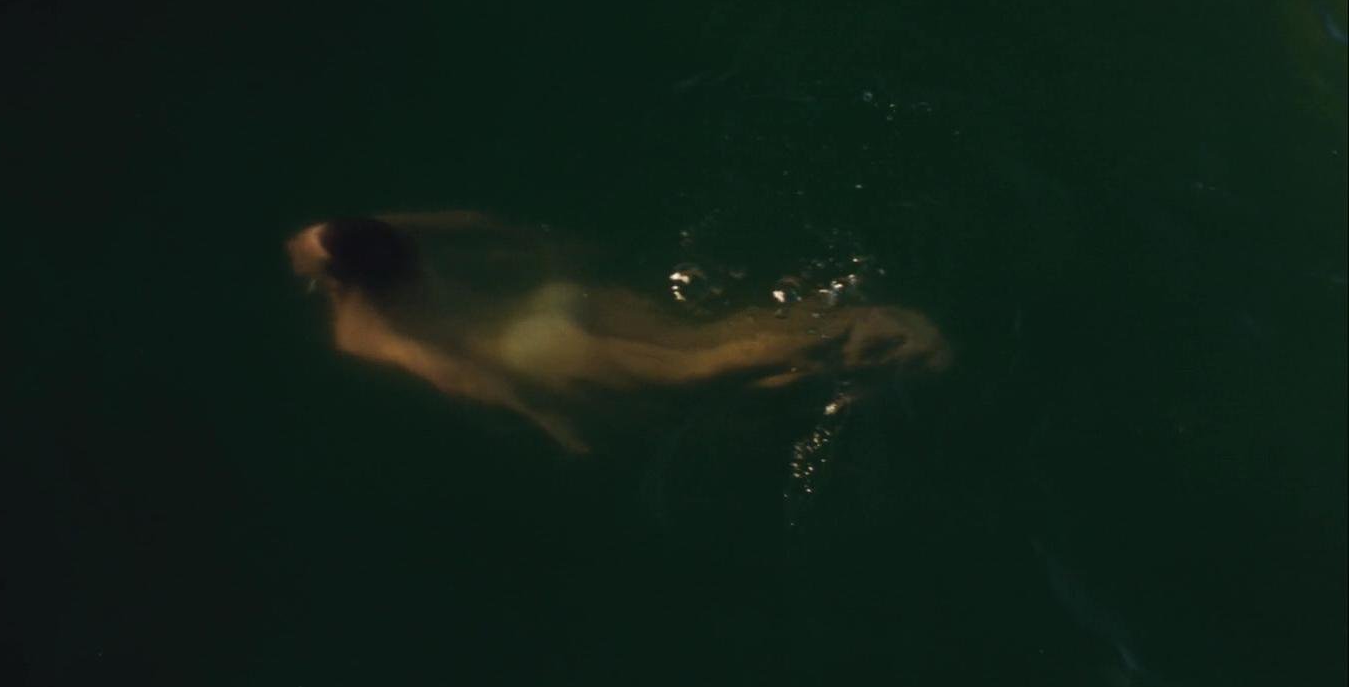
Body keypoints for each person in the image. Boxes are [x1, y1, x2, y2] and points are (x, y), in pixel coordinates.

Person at [287, 212, 951, 453]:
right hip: (553, 301)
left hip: (533, 351)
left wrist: (538, 416)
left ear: (339, 281)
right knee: (709, 343)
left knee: (703, 368)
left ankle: (872, 332)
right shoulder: (381, 235)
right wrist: (545, 247)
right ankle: (844, 348)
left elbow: (449, 373)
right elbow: (473, 222)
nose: (298, 251)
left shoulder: (357, 332)